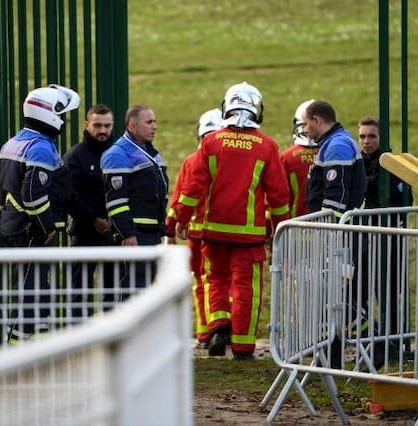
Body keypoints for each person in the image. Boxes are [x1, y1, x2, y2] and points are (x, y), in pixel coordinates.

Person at [173, 82, 290, 360]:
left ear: (227, 106)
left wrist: (181, 218)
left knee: (216, 280)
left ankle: (218, 327)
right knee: (246, 288)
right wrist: (280, 227)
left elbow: (193, 187)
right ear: (256, 109)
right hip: (249, 235)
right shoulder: (267, 146)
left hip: (213, 232)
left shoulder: (211, 142)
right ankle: (243, 347)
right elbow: (279, 194)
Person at [0, 84, 80, 342]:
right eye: (62, 114)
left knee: (32, 287)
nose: (64, 120)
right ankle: (18, 347)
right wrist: (47, 227)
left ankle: (33, 344)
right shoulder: (41, 148)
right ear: (49, 114)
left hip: (15, 226)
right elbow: (33, 195)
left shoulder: (15, 142)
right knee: (32, 290)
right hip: (31, 231)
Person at [303, 100, 367, 368]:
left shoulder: (337, 145)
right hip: (338, 234)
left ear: (317, 120)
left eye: (307, 124)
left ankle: (368, 344)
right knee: (334, 297)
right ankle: (331, 355)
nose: (306, 130)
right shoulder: (333, 143)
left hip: (338, 236)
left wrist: (329, 230)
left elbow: (336, 196)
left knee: (340, 298)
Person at [165, 108, 223, 349]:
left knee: (201, 283)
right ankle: (224, 325)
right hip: (222, 232)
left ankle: (204, 333)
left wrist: (170, 230)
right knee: (225, 281)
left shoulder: (192, 161)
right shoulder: (231, 159)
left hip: (194, 233)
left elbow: (179, 197)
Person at [357, 116, 412, 354]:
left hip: (388, 237)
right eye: (362, 136)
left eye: (372, 136)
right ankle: (371, 342)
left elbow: (406, 201)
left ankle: (395, 343)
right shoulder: (356, 163)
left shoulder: (394, 165)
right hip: (363, 237)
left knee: (388, 294)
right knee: (361, 292)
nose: (366, 141)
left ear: (382, 138)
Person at [100, 105, 168, 292]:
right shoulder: (118, 154)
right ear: (132, 126)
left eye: (154, 121)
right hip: (135, 236)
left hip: (150, 233)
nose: (154, 126)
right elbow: (115, 201)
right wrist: (128, 234)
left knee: (145, 290)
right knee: (133, 291)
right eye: (149, 122)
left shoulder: (148, 151)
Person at [63, 104, 116, 320]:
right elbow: (69, 195)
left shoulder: (118, 154)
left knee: (113, 291)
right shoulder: (75, 156)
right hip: (84, 232)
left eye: (107, 126)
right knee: (79, 290)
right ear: (87, 125)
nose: (103, 130)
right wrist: (94, 219)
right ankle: (78, 340)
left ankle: (110, 341)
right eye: (97, 125)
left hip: (114, 232)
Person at [280, 99, 319, 217]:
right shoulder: (333, 153)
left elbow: (281, 196)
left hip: (296, 225)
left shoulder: (287, 157)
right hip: (329, 225)